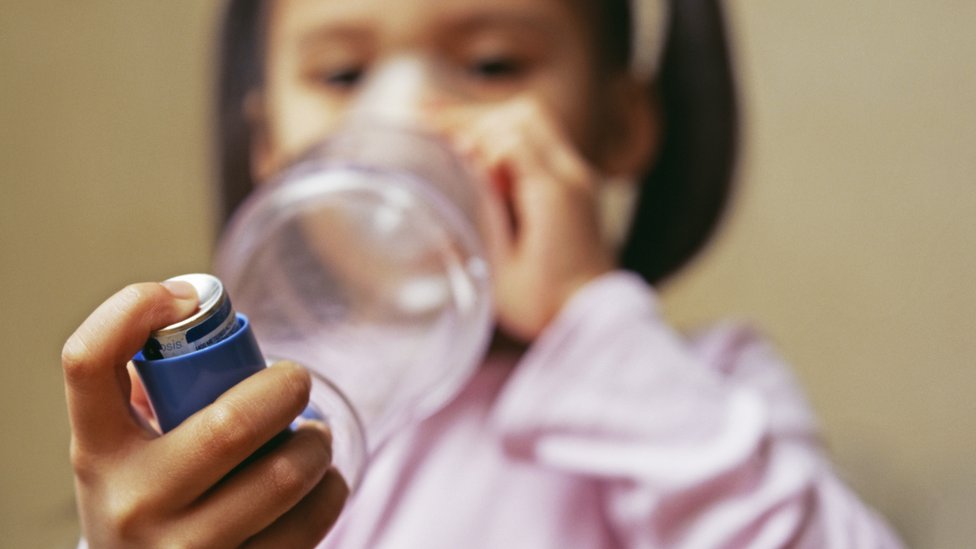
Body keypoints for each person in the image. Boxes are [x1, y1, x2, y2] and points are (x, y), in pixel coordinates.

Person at [62, 0, 904, 547]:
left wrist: (588, 318)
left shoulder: (705, 392)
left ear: (618, 123)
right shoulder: (251, 418)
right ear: (271, 149)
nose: (408, 119)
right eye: (344, 74)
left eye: (493, 64)